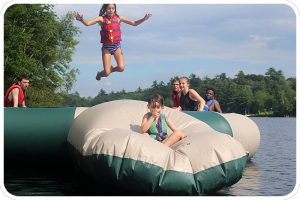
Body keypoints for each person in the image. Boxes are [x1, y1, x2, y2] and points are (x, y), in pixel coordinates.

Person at [75, 4, 152, 81]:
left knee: (121, 68)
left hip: (116, 46)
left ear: (115, 9)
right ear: (105, 9)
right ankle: (99, 74)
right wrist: (81, 19)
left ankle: (111, 69)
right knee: (107, 73)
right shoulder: (101, 19)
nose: (111, 10)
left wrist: (144, 19)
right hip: (106, 48)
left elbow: (134, 23)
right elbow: (88, 23)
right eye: (109, 8)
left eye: (113, 8)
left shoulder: (119, 18)